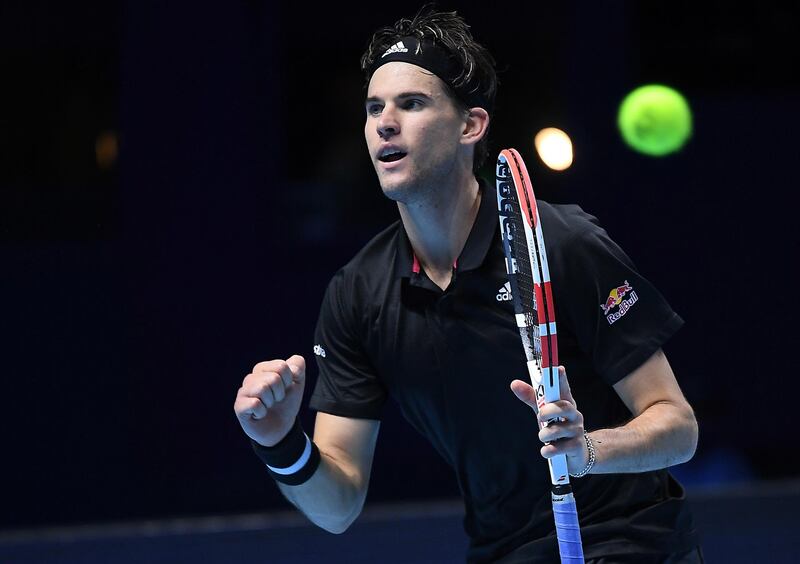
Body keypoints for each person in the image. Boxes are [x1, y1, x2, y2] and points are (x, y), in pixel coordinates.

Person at [234, 7, 702, 563]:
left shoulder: (559, 242)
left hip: (627, 540)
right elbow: (338, 507)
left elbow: (678, 426)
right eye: (373, 108)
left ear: (469, 126)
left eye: (411, 103)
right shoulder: (358, 295)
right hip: (504, 551)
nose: (385, 122)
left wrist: (588, 449)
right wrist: (282, 444)